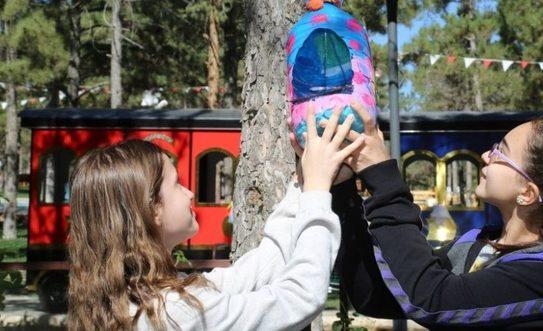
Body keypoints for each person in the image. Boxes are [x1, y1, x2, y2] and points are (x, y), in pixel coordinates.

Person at [321, 103, 543, 330]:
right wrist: (344, 189)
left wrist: (383, 177)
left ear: (527, 193)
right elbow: (378, 298)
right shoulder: (477, 246)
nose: (487, 156)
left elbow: (431, 299)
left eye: (500, 151)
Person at [68, 106, 364, 331]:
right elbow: (300, 299)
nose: (189, 192)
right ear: (151, 210)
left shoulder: (144, 299)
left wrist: (302, 180)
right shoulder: (176, 311)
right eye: (176, 184)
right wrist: (317, 192)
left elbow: (259, 267)